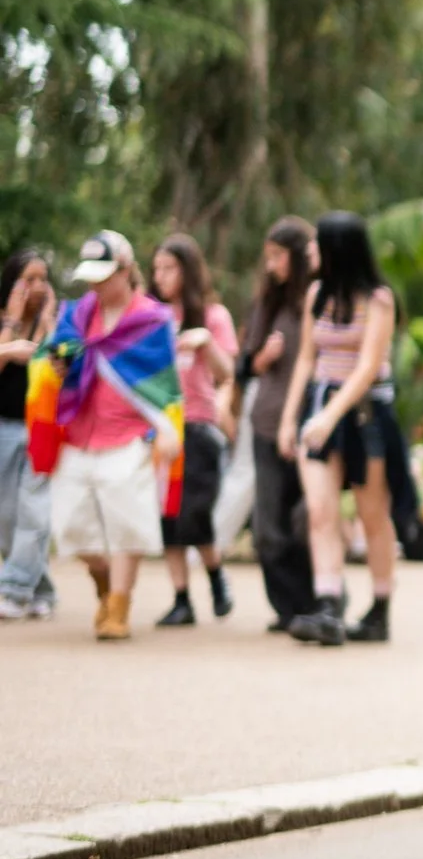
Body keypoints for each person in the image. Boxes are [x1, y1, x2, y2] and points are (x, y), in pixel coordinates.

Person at [43, 232, 183, 640]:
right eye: (91, 277)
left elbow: (165, 385)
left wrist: (168, 428)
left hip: (128, 434)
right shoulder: (75, 315)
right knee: (70, 525)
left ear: (126, 270)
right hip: (80, 433)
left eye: (104, 276)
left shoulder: (151, 320)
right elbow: (54, 356)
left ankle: (119, 604)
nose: (96, 285)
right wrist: (56, 365)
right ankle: (103, 579)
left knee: (127, 522)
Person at [279, 212, 404, 645]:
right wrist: (289, 419)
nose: (309, 253)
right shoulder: (317, 294)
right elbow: (306, 360)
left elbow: (369, 365)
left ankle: (380, 606)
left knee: (372, 514)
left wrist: (331, 415)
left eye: (317, 245)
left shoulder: (379, 300)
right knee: (320, 511)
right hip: (318, 409)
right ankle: (328, 604)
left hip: (364, 414)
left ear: (337, 249)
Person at [149, 234, 239, 626]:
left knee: (193, 513)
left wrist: (205, 344)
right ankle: (181, 598)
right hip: (158, 428)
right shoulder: (150, 317)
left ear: (187, 270)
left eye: (169, 267)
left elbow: (227, 374)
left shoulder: (214, 316)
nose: (162, 275)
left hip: (198, 425)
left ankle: (216, 575)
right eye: (157, 269)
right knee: (166, 516)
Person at [240, 217, 317, 631]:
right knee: (267, 527)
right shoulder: (265, 304)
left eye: (277, 256)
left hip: (309, 426)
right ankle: (287, 608)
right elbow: (244, 366)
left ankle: (313, 603)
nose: (271, 265)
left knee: (306, 518)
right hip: (267, 423)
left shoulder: (317, 302)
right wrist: (262, 359)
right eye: (266, 256)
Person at [0, 247, 60, 621]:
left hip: (41, 426)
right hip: (4, 427)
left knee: (34, 512)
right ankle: (43, 590)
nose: (37, 286)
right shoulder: (5, 320)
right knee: (6, 515)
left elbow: (62, 362)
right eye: (29, 279)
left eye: (42, 279)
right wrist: (11, 325)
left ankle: (14, 588)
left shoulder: (55, 321)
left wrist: (48, 323)